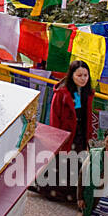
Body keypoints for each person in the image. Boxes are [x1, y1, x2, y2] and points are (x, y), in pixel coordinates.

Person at [37, 60, 96, 200]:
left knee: (75, 165)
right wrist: (57, 136)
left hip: (80, 135)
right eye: (79, 75)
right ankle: (51, 192)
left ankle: (70, 195)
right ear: (72, 75)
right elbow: (54, 116)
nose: (83, 79)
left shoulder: (87, 93)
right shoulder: (62, 92)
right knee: (60, 164)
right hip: (65, 135)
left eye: (85, 75)